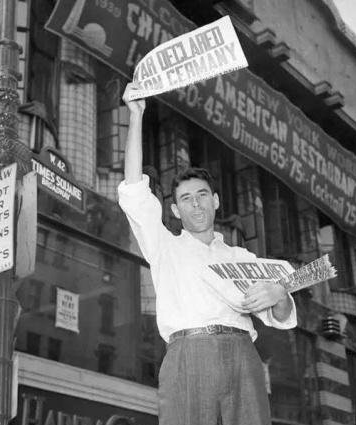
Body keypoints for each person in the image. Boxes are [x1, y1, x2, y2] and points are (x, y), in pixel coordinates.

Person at [117, 83, 297, 425]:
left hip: (243, 354)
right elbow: (134, 190)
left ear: (216, 201)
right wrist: (136, 115)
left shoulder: (242, 258)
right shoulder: (164, 245)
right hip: (188, 354)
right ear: (174, 209)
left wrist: (280, 292)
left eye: (202, 195)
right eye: (186, 198)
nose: (196, 203)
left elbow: (281, 313)